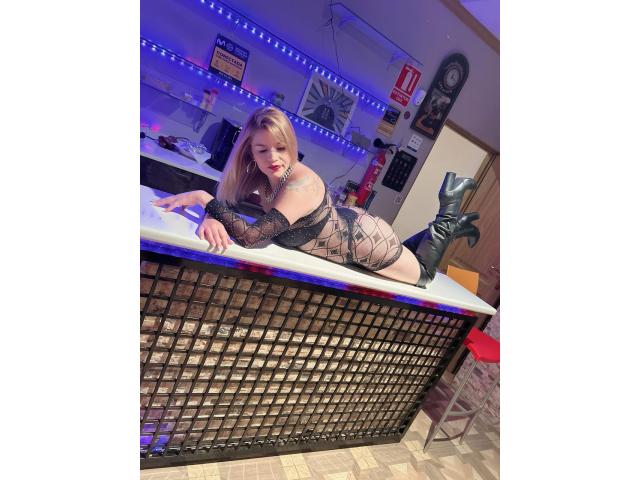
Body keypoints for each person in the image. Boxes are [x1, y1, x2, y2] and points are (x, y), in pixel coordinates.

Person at [152, 106, 479, 288]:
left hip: (366, 243)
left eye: (281, 147)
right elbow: (229, 204)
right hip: (349, 229)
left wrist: (202, 198)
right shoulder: (265, 178)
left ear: (291, 145)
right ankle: (454, 226)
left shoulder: (300, 184)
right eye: (262, 150)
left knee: (424, 275)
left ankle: (448, 211)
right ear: (249, 152)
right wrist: (212, 215)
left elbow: (251, 237)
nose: (273, 157)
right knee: (413, 258)